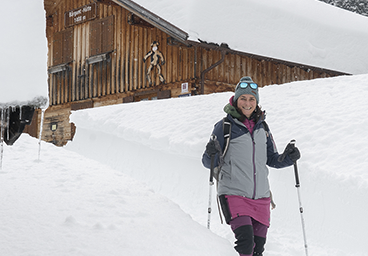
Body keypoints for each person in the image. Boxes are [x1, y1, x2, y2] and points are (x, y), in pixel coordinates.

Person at [202, 76, 300, 256]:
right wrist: (211, 153)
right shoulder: (224, 127)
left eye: (251, 99)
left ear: (257, 102)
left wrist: (288, 158)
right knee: (246, 243)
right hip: (234, 193)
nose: (247, 103)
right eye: (243, 98)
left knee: (258, 249)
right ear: (236, 100)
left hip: (262, 197)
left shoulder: (263, 128)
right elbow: (208, 162)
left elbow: (272, 159)